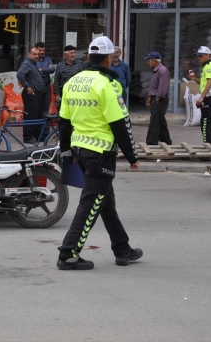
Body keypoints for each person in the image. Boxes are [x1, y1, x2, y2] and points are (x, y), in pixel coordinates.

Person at [57, 36, 142, 271]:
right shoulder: (106, 84)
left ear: (87, 57)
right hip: (101, 155)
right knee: (89, 207)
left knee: (105, 204)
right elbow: (120, 125)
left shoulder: (72, 82)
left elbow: (63, 122)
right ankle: (68, 254)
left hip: (81, 153)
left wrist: (67, 151)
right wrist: (133, 156)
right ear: (107, 59)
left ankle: (122, 249)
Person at [188, 46, 211, 145]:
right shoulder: (205, 66)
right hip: (210, 97)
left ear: (208, 55)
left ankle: (207, 144)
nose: (198, 57)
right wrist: (194, 78)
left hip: (210, 97)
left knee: (205, 122)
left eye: (201, 55)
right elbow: (203, 83)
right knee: (206, 120)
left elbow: (209, 83)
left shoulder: (209, 67)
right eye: (198, 56)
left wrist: (201, 97)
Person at [16, 46, 45, 143]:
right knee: (30, 116)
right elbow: (19, 74)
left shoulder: (33, 63)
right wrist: (27, 86)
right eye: (34, 54)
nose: (36, 56)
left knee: (37, 115)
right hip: (31, 94)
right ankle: (28, 137)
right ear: (29, 54)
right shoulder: (27, 63)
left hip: (37, 94)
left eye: (37, 54)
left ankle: (38, 136)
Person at [144, 52, 172, 146]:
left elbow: (162, 87)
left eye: (149, 60)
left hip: (159, 99)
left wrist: (157, 98)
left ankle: (151, 142)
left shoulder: (162, 71)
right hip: (155, 98)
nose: (148, 62)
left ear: (154, 61)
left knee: (155, 121)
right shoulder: (156, 70)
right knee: (160, 121)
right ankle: (166, 142)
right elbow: (153, 86)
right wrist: (149, 97)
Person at [53, 45, 84, 111]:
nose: (73, 55)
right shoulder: (60, 65)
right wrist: (57, 94)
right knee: (64, 111)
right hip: (64, 93)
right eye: (71, 53)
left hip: (77, 92)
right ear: (65, 55)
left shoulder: (80, 63)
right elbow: (56, 81)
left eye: (74, 53)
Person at [34, 42, 55, 114]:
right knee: (36, 108)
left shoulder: (48, 59)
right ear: (36, 50)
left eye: (43, 50)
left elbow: (52, 70)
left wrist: (42, 69)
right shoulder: (33, 60)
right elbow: (35, 71)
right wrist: (46, 69)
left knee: (46, 108)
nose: (42, 52)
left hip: (46, 87)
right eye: (40, 50)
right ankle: (37, 125)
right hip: (36, 88)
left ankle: (46, 124)